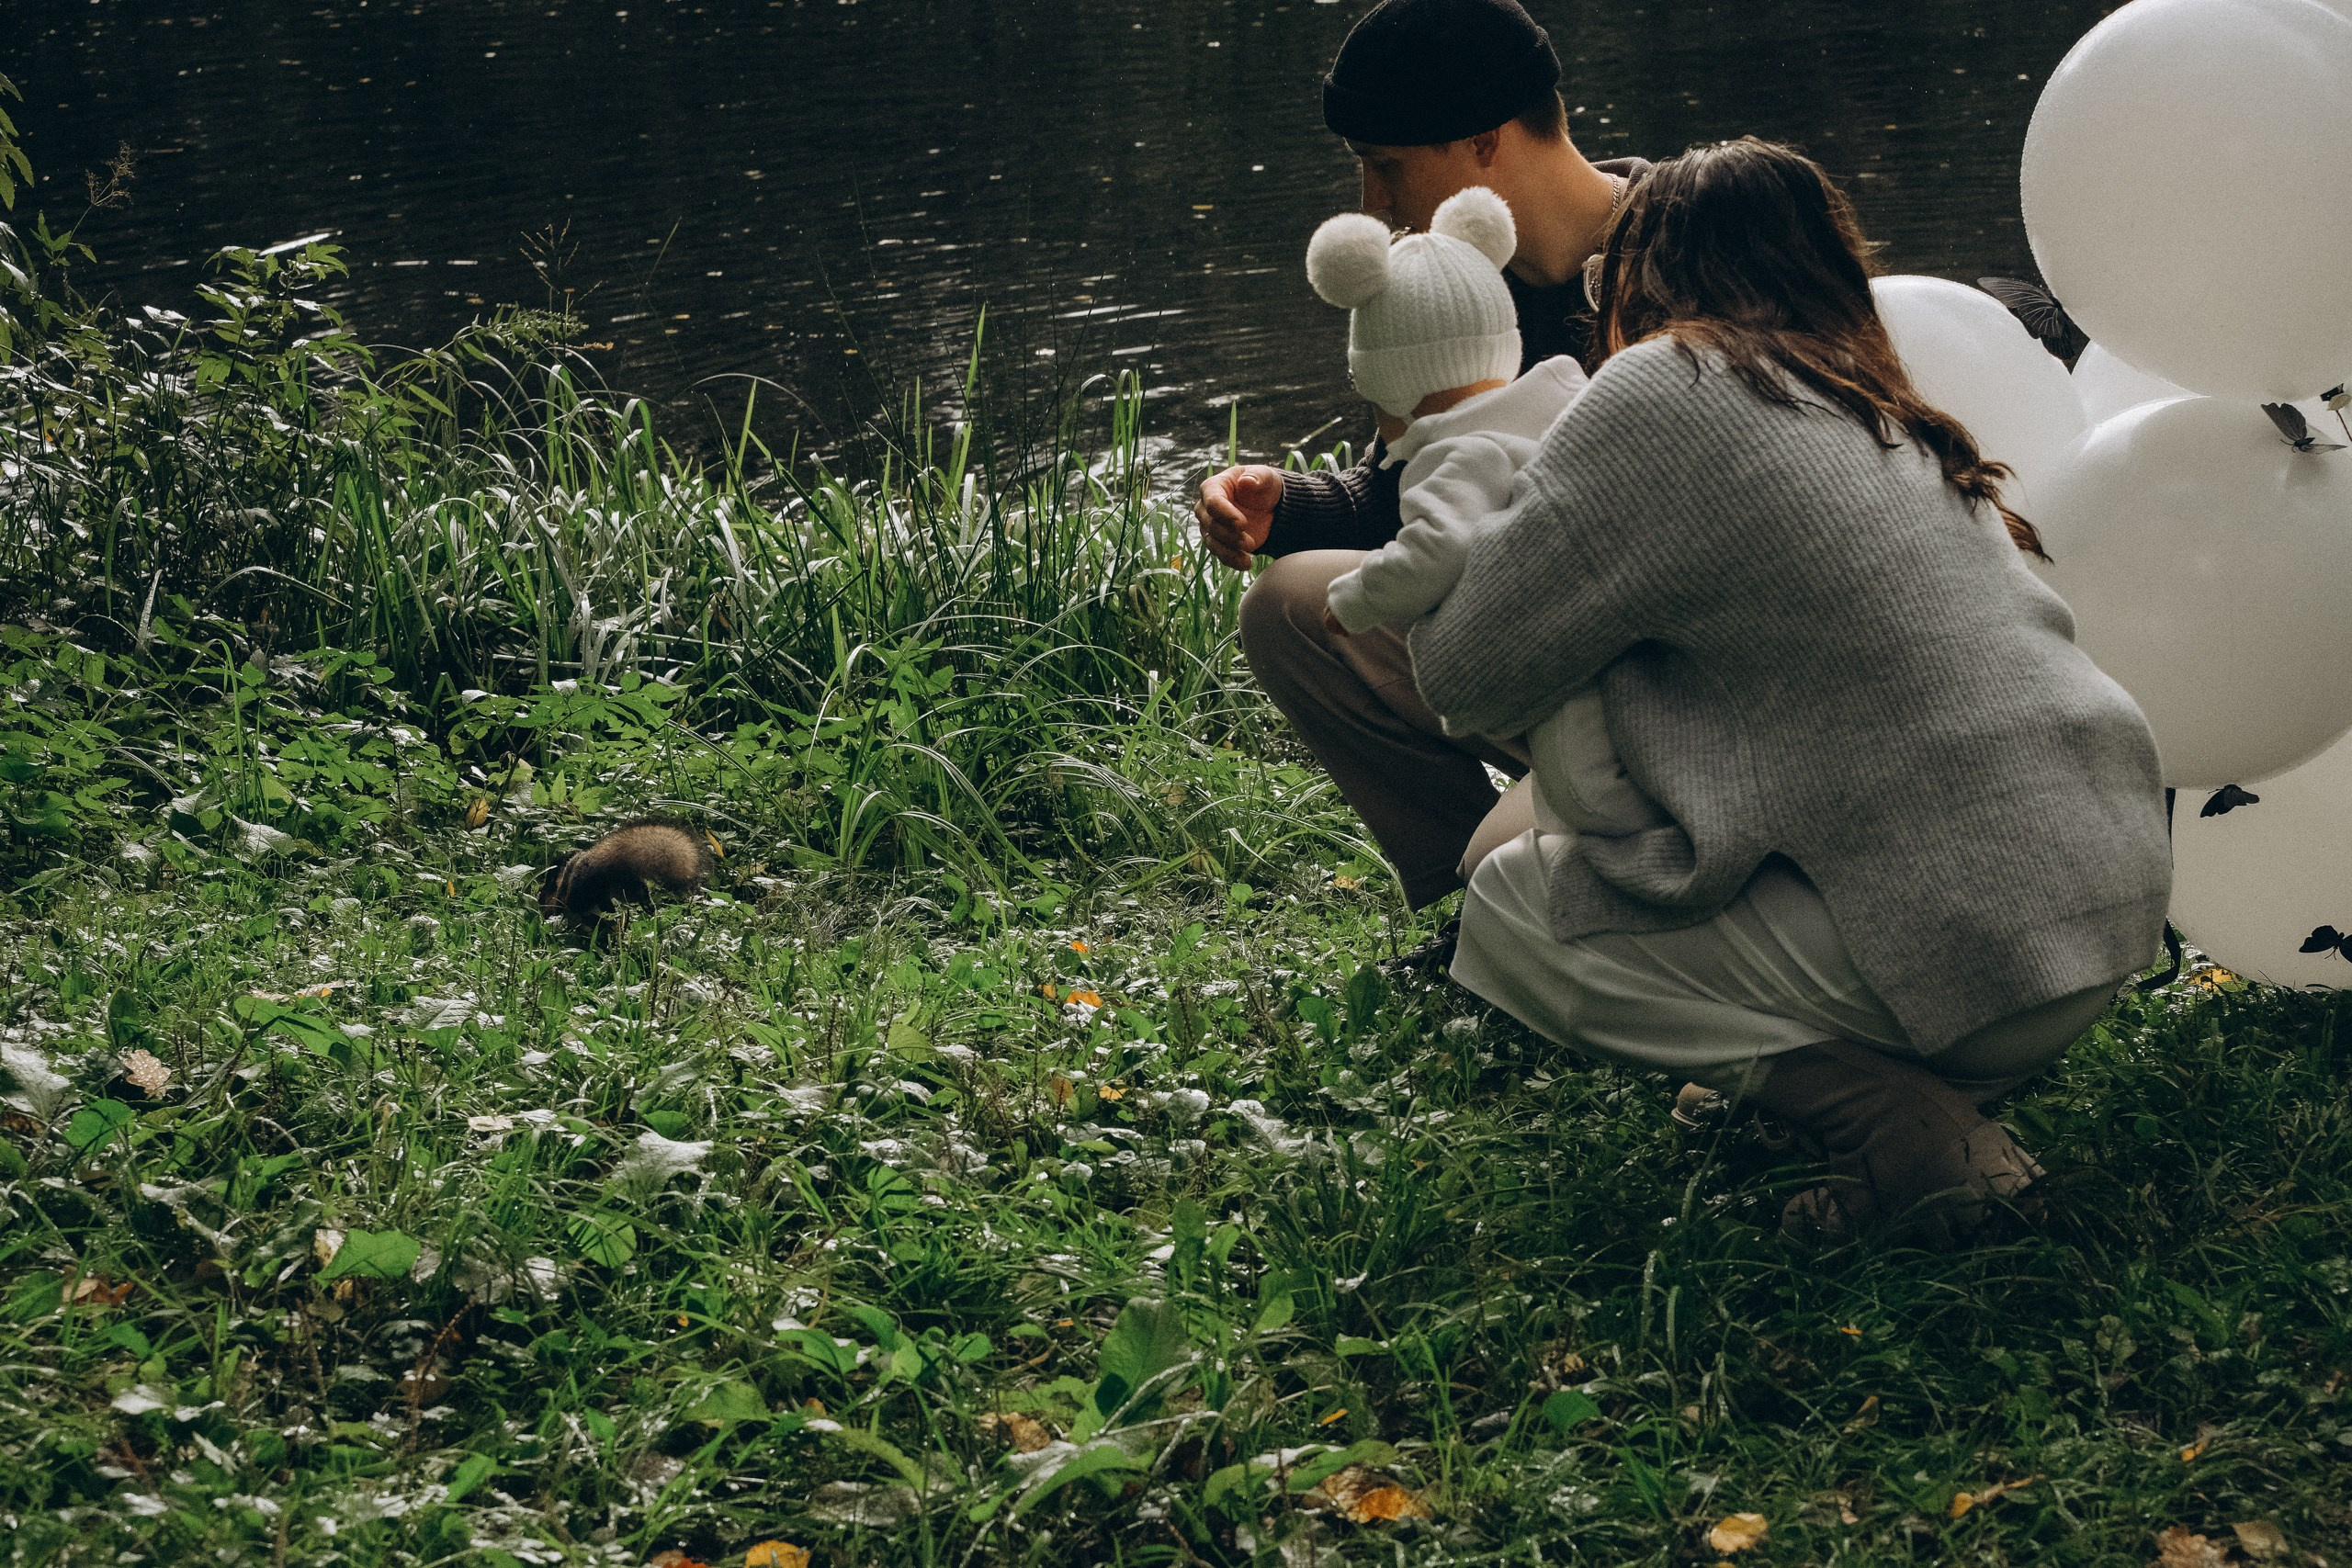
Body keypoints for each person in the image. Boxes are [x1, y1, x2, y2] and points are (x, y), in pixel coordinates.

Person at [1408, 138, 2174, 1243]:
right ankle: (1914, 1083)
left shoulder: (1665, 384)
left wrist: (1445, 455)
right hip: (2099, 908)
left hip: (1977, 948)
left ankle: (1907, 1132)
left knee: (1518, 908)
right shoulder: (1871, 401)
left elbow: (1462, 671)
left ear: (1643, 275)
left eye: (1602, 285)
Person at [1195, 0, 1652, 940]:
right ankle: (1467, 916)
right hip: (1542, 656)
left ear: (1485, 143)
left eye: (1387, 166)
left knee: (1520, 867)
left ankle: (1537, 896)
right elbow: (1409, 489)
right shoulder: (1449, 289)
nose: (1372, 203)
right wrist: (1291, 503)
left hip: (1688, 679)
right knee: (1287, 604)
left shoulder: (1696, 235)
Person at [1300, 186, 1662, 870]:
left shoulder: (1454, 456)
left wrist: (1358, 598)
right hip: (1638, 652)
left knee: (1575, 785)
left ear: (1392, 390)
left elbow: (1438, 547)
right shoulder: (1566, 390)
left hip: (1576, 705)